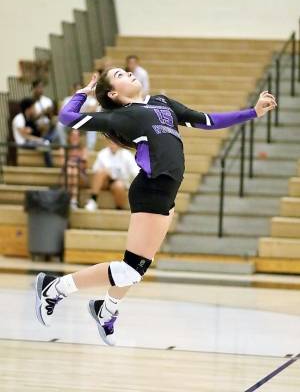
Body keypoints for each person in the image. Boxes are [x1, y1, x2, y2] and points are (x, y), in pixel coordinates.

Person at [35, 69, 277, 346]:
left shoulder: (162, 102)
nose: (128, 73)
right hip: (151, 188)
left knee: (137, 267)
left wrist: (252, 112)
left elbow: (206, 120)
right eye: (120, 74)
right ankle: (54, 288)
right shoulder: (121, 116)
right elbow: (67, 118)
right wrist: (83, 93)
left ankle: (106, 309)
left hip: (167, 192)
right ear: (114, 93)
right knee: (129, 270)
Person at [85, 139, 139, 211]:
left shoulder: (127, 155)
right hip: (105, 181)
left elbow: (135, 172)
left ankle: (119, 208)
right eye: (111, 142)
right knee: (101, 172)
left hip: (121, 182)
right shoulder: (103, 153)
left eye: (115, 142)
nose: (113, 144)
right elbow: (96, 171)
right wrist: (108, 173)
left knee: (118, 185)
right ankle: (93, 200)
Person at [12, 97, 53, 167]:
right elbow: (25, 136)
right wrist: (39, 140)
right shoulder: (19, 118)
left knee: (47, 141)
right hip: (23, 144)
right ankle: (49, 166)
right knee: (45, 143)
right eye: (33, 107)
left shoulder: (27, 118)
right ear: (29, 109)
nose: (35, 109)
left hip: (27, 142)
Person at [60, 130, 88, 209]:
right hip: (66, 174)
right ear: (69, 137)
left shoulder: (83, 149)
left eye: (76, 136)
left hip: (81, 175)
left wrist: (72, 164)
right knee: (70, 170)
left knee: (74, 170)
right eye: (73, 135)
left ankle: (70, 199)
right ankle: (73, 200)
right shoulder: (64, 148)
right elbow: (63, 164)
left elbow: (84, 165)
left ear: (79, 137)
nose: (74, 138)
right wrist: (74, 164)